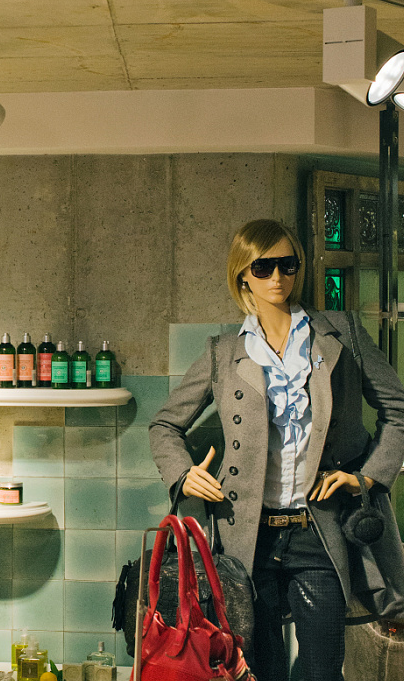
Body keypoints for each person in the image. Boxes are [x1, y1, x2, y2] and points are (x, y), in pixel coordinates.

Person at [148, 218, 404, 681]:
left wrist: (367, 476)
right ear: (243, 274)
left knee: (322, 669)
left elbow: (397, 409)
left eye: (288, 265)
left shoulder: (341, 334)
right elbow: (164, 425)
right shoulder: (223, 352)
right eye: (263, 267)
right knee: (259, 669)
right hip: (248, 536)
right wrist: (183, 474)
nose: (278, 277)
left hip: (320, 530)